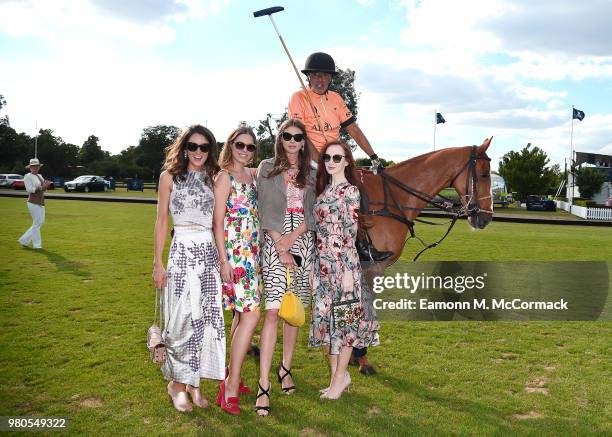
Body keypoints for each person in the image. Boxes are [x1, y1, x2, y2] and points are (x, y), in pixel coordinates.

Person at [288, 51, 392, 264]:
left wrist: (373, 156)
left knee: (358, 192)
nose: (320, 80)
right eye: (316, 75)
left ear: (331, 78)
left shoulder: (336, 99)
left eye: (325, 76)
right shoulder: (298, 98)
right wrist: (322, 161)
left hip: (334, 158)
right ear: (308, 76)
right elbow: (300, 134)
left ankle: (361, 245)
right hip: (308, 157)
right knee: (314, 197)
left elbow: (353, 129)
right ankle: (309, 247)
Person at [153, 124, 226, 412]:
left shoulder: (216, 178)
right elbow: (161, 221)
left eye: (204, 147)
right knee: (181, 317)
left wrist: (222, 260)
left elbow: (219, 222)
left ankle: (195, 383)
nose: (198, 152)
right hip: (181, 251)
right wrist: (157, 263)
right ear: (184, 147)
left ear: (210, 150)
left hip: (207, 252)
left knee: (206, 319)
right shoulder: (169, 177)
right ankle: (177, 385)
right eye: (193, 146)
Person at [255, 119, 317, 416]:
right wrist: (281, 244)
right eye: (286, 136)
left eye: (297, 137)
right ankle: (263, 384)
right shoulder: (268, 168)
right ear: (280, 139)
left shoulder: (314, 173)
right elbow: (264, 208)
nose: (291, 142)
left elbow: (314, 213)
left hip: (303, 241)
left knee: (294, 312)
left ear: (304, 142)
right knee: (272, 312)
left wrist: (293, 240)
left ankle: (286, 369)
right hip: (274, 238)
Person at [309, 141, 380, 400]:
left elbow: (350, 234)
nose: (331, 161)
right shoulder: (323, 191)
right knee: (328, 326)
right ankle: (338, 377)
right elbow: (319, 232)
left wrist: (350, 272)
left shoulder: (350, 191)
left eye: (337, 157)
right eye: (327, 157)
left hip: (344, 266)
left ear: (347, 161)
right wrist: (314, 268)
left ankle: (339, 378)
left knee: (346, 325)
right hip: (323, 266)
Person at [212, 126, 262, 415]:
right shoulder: (224, 177)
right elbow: (217, 222)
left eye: (250, 147)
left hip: (251, 255)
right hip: (234, 257)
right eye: (239, 145)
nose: (244, 150)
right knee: (251, 315)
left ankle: (233, 374)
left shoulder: (250, 176)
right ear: (230, 145)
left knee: (241, 316)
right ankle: (229, 387)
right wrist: (223, 261)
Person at [18, 158, 50, 249]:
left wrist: (45, 186)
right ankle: (37, 245)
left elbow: (44, 189)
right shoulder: (27, 176)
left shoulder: (40, 176)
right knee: (37, 223)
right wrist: (40, 187)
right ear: (30, 167)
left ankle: (24, 240)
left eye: (37, 166)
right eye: (33, 166)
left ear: (39, 167)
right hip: (32, 202)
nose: (35, 168)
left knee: (40, 222)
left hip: (41, 201)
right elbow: (29, 190)